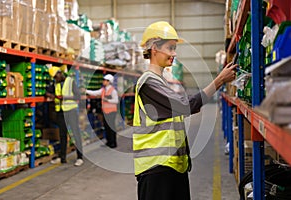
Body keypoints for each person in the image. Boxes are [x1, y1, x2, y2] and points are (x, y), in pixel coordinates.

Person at [133, 21, 237, 200]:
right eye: (170, 48)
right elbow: (186, 105)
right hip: (156, 170)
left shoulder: (159, 81)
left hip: (172, 167)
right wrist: (219, 81)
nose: (174, 53)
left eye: (175, 48)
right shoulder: (148, 83)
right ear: (154, 48)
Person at [46, 67, 84, 167]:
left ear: (60, 73)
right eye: (54, 78)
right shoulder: (55, 84)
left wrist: (64, 97)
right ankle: (62, 158)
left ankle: (80, 157)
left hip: (71, 111)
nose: (55, 79)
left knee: (76, 134)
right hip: (61, 112)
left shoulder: (70, 82)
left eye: (56, 77)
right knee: (62, 135)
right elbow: (50, 92)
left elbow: (78, 96)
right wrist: (50, 95)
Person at [86, 74, 119, 148]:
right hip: (105, 112)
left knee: (111, 127)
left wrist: (108, 100)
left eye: (105, 80)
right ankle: (109, 142)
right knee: (106, 127)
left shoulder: (113, 91)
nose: (103, 81)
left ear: (109, 82)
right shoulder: (103, 90)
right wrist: (86, 91)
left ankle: (113, 143)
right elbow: (95, 93)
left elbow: (116, 101)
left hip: (111, 112)